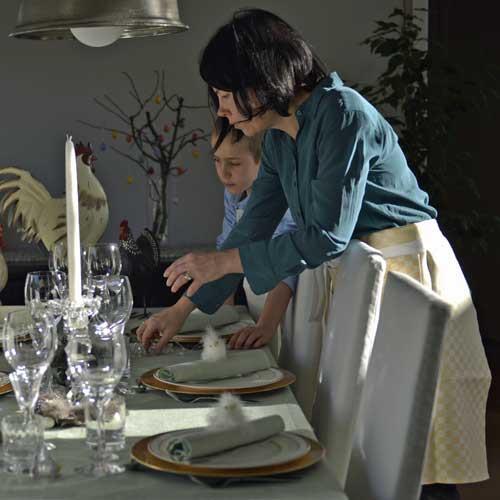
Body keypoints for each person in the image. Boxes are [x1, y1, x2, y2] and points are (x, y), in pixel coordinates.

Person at [137, 9, 490, 498]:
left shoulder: (343, 114)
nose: (221, 111)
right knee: (381, 442)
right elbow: (251, 230)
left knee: (414, 447)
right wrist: (181, 311)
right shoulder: (280, 140)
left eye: (224, 94)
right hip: (368, 277)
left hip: (410, 273)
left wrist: (223, 264)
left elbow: (326, 236)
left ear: (259, 80)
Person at [213, 116, 297, 349]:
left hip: (286, 309)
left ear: (264, 160)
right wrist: (224, 319)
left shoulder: (285, 201)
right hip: (257, 304)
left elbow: (286, 269)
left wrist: (266, 325)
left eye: (234, 163)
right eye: (217, 160)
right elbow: (225, 255)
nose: (224, 173)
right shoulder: (234, 195)